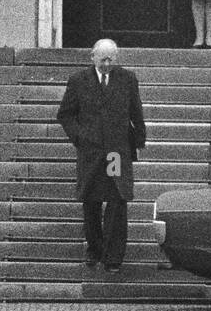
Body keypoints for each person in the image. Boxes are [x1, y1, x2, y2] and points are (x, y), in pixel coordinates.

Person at [55, 39, 147, 273]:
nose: (107, 64)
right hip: (91, 152)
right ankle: (95, 250)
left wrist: (139, 141)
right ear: (92, 57)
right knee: (91, 202)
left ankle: (114, 257)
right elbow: (65, 114)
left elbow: (136, 111)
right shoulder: (78, 81)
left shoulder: (127, 79)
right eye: (103, 59)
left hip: (116, 153)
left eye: (111, 59)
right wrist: (80, 138)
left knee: (117, 200)